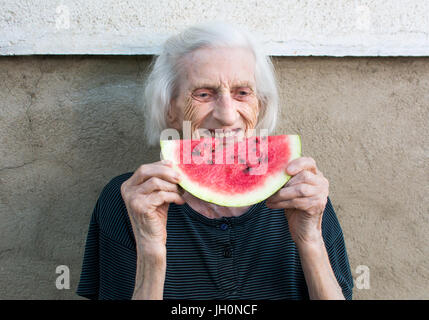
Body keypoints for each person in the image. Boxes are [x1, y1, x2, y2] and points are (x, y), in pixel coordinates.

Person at [76, 22, 353, 300]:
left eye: (242, 93)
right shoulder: (130, 200)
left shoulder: (303, 194)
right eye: (204, 94)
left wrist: (310, 241)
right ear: (170, 108)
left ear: (260, 105)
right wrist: (150, 249)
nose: (227, 115)